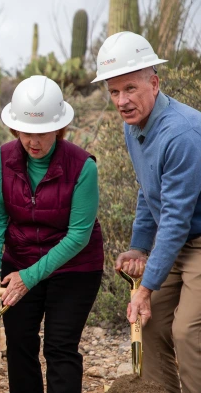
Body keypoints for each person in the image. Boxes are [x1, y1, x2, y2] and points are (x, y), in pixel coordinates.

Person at [0, 75, 104, 393]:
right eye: (26, 132)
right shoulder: (3, 158)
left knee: (60, 348)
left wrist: (29, 277)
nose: (33, 141)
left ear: (59, 128)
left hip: (75, 267)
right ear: (14, 127)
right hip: (19, 260)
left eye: (42, 132)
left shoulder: (82, 166)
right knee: (19, 345)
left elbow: (78, 236)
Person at [93, 31, 201, 393]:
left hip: (194, 238)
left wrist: (145, 288)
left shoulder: (182, 133)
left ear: (153, 83)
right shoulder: (134, 126)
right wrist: (139, 247)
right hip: (179, 240)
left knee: (187, 330)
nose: (122, 101)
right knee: (151, 323)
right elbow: (146, 190)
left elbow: (174, 220)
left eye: (130, 89)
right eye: (114, 92)